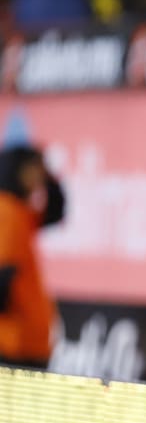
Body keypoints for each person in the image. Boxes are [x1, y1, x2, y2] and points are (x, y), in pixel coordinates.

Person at [0, 144, 66, 369]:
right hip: (13, 343)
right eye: (34, 168)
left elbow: (55, 211)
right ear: (17, 170)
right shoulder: (6, 210)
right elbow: (3, 274)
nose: (38, 176)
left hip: (26, 341)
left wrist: (48, 176)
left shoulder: (21, 211)